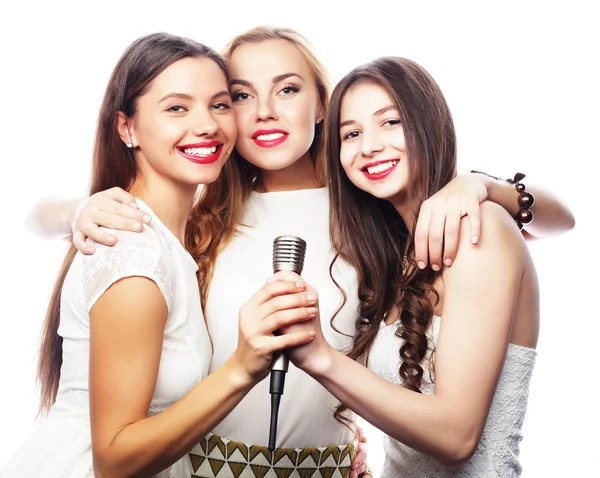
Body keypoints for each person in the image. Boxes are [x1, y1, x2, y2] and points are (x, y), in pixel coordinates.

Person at [22, 27, 573, 477]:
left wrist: (479, 184)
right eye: (240, 96)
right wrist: (78, 210)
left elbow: (556, 220)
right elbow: (37, 216)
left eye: (287, 89)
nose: (263, 111)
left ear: (322, 109)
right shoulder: (202, 210)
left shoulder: (369, 200)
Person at [0, 32, 319, 478]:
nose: (206, 124)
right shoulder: (136, 255)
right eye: (177, 108)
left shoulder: (176, 234)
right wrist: (242, 369)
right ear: (126, 127)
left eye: (221, 104)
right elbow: (113, 461)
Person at [280, 56, 545, 477]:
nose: (369, 146)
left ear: (428, 123)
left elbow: (456, 437)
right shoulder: (398, 254)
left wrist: (321, 358)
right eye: (351, 133)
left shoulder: (481, 230)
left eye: (390, 122)